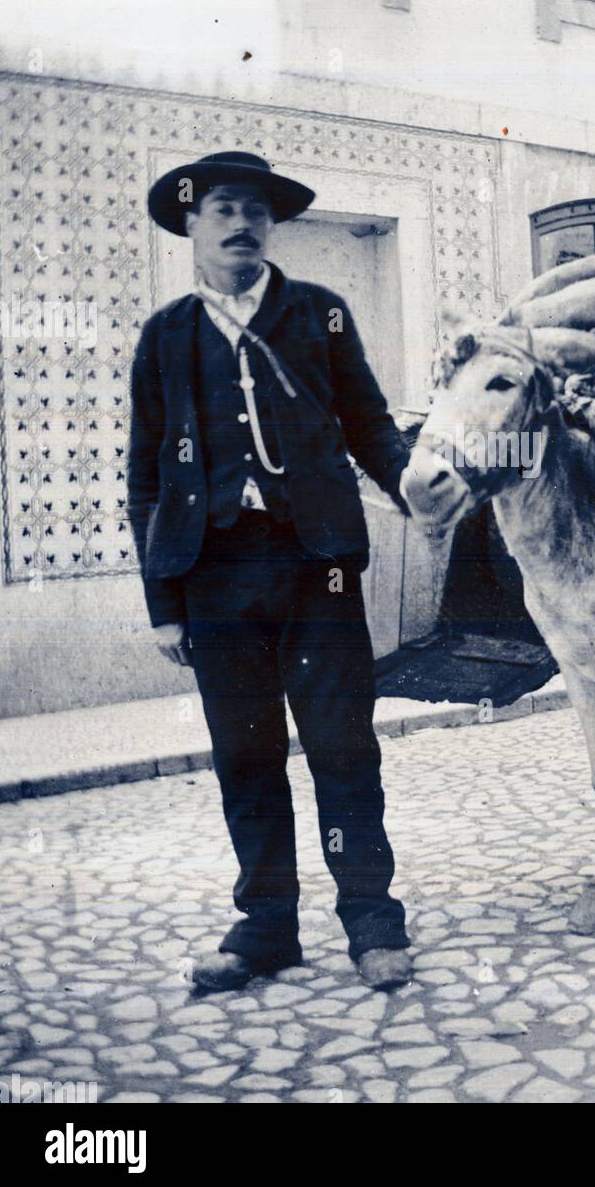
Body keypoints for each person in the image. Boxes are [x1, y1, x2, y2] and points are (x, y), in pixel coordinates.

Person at [129, 151, 412, 991]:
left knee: (342, 749)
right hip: (211, 574)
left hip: (314, 565)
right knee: (245, 757)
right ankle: (266, 926)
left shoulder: (319, 314)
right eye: (221, 208)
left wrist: (413, 484)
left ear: (271, 225)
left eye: (254, 209)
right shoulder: (166, 335)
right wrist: (161, 603)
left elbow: (369, 422)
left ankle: (370, 921)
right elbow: (145, 473)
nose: (240, 223)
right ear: (191, 224)